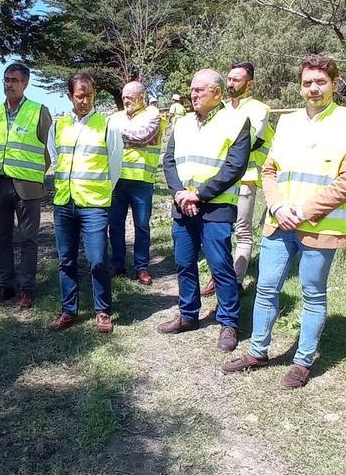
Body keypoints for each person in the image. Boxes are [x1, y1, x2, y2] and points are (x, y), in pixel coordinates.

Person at [221, 55, 346, 388]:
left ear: (334, 83)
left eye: (320, 82)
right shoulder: (287, 122)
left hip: (321, 225)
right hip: (279, 222)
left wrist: (303, 211)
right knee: (266, 288)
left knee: (312, 293)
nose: (313, 88)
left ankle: (302, 361)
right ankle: (258, 351)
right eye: (307, 83)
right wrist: (275, 206)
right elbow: (270, 170)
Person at [158, 69, 253, 352]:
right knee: (184, 263)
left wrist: (198, 194)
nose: (193, 94)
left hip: (216, 207)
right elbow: (169, 161)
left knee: (220, 266)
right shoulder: (183, 123)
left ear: (218, 93)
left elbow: (235, 167)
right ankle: (189, 315)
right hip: (183, 206)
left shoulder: (236, 121)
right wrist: (179, 193)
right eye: (192, 89)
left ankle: (228, 322)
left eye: (200, 89)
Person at [46, 73, 124, 333]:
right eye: (80, 95)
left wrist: (100, 193)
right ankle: (69, 311)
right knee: (66, 260)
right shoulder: (58, 126)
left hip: (94, 205)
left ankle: (103, 311)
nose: (85, 100)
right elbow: (55, 159)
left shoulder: (107, 125)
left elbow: (115, 166)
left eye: (89, 95)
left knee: (98, 259)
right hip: (64, 204)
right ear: (70, 96)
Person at [0, 63, 53, 310]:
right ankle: (6, 286)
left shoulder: (38, 111)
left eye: (13, 80)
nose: (8, 84)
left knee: (28, 240)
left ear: (25, 83)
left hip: (27, 188)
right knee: (1, 239)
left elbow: (49, 151)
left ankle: (27, 289)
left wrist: (34, 176)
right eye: (5, 79)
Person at [202, 61, 273, 296]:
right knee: (217, 230)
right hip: (217, 180)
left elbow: (246, 143)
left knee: (242, 230)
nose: (230, 83)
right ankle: (218, 277)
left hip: (245, 179)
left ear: (249, 84)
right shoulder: (220, 109)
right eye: (229, 79)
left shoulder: (259, 109)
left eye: (237, 80)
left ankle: (235, 281)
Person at [108, 81, 163, 285]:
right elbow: (106, 141)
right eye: (123, 96)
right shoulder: (114, 117)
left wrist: (117, 135)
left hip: (141, 181)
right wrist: (124, 137)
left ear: (141, 97)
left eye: (130, 96)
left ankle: (142, 267)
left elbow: (144, 136)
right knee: (115, 225)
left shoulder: (153, 114)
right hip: (116, 180)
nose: (126, 100)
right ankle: (118, 265)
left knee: (142, 226)